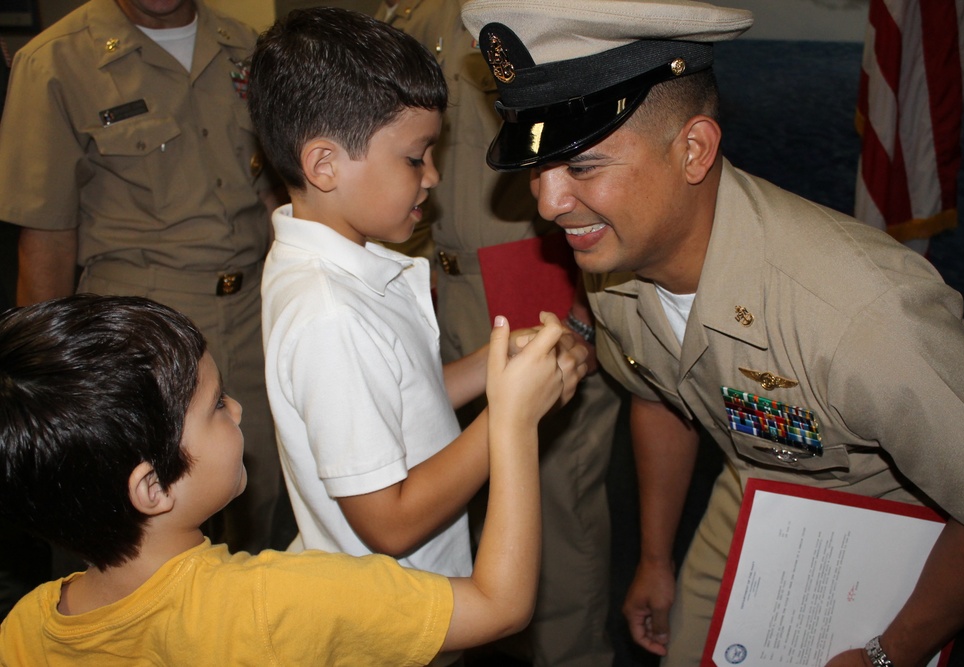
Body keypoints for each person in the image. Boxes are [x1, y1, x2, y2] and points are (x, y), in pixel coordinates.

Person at [459, 1, 964, 666]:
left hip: (899, 543)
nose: (546, 204)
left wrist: (892, 653)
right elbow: (659, 393)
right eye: (538, 171)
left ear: (692, 150)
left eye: (583, 167)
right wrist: (656, 557)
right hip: (754, 492)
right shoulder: (612, 273)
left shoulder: (864, 315)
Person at [0, 293, 571, 664]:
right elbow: (500, 606)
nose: (239, 410)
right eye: (215, 407)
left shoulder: (24, 629)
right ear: (153, 488)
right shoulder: (277, 603)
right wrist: (513, 421)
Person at [248, 4, 587, 610]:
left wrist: (494, 363)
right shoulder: (329, 312)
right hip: (393, 618)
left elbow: (403, 396)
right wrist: (508, 417)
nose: (432, 176)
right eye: (414, 157)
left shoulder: (338, 268)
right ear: (324, 165)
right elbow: (390, 523)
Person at [374, 2, 622, 664]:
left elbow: (598, 156)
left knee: (555, 511)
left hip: (532, 271)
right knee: (483, 508)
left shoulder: (540, 11)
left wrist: (582, 309)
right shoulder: (409, 14)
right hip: (440, 282)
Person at [0, 0, 289, 555]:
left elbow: (279, 188)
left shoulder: (248, 46)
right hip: (135, 340)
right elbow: (46, 237)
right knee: (123, 531)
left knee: (264, 509)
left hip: (255, 315)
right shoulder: (56, 62)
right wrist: (49, 389)